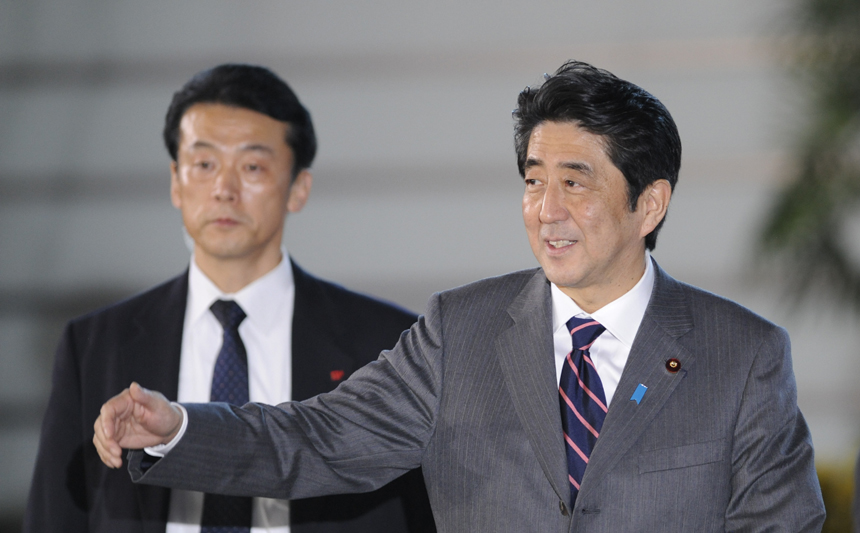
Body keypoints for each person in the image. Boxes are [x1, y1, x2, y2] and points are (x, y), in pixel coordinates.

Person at [93, 60, 826, 532]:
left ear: (650, 204)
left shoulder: (744, 356)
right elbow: (312, 440)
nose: (546, 208)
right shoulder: (459, 332)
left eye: (576, 181)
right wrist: (177, 426)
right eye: (534, 180)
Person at [25, 64, 434, 533]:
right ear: (176, 181)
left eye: (252, 166)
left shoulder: (387, 343)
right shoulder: (94, 345)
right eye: (204, 164)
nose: (224, 189)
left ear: (299, 187)